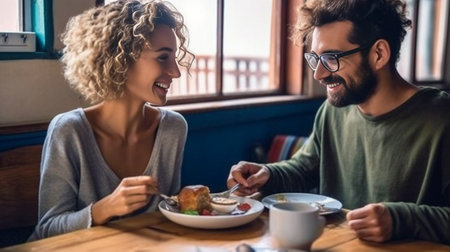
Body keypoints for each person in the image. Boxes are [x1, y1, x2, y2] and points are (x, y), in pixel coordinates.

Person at [227, 0, 450, 244]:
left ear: (379, 54)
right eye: (315, 59)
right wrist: (267, 173)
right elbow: (304, 168)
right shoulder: (332, 112)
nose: (318, 74)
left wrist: (402, 220)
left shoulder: (441, 117)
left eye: (331, 58)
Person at [29, 0, 193, 240]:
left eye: (175, 58)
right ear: (121, 59)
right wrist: (103, 209)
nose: (176, 72)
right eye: (162, 57)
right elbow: (48, 229)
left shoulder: (173, 128)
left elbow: (164, 214)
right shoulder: (69, 130)